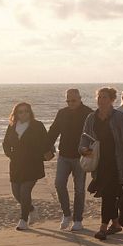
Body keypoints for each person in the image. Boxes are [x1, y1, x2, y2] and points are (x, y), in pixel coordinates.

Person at [79, 87, 123, 241]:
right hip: (99, 163)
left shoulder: (121, 118)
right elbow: (85, 137)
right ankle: (116, 224)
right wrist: (83, 149)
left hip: (118, 162)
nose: (101, 100)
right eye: (99, 97)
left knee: (109, 194)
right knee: (107, 194)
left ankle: (103, 228)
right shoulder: (91, 117)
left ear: (112, 100)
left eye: (105, 97)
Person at [46, 88, 93, 231]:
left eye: (73, 100)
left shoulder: (88, 113)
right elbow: (53, 131)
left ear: (80, 98)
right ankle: (66, 214)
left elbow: (94, 135)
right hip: (64, 156)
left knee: (79, 189)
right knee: (59, 184)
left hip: (81, 157)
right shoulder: (62, 113)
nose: (70, 103)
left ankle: (78, 220)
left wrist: (91, 151)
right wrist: (47, 147)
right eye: (68, 100)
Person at [2, 102, 51, 231]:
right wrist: (10, 154)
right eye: (20, 111)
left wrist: (48, 153)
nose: (24, 114)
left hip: (33, 164)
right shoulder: (12, 126)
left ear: (30, 113)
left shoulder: (37, 126)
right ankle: (32, 209)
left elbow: (46, 142)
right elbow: (6, 143)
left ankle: (23, 220)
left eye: (26, 111)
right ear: (16, 114)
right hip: (16, 164)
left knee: (25, 191)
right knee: (16, 193)